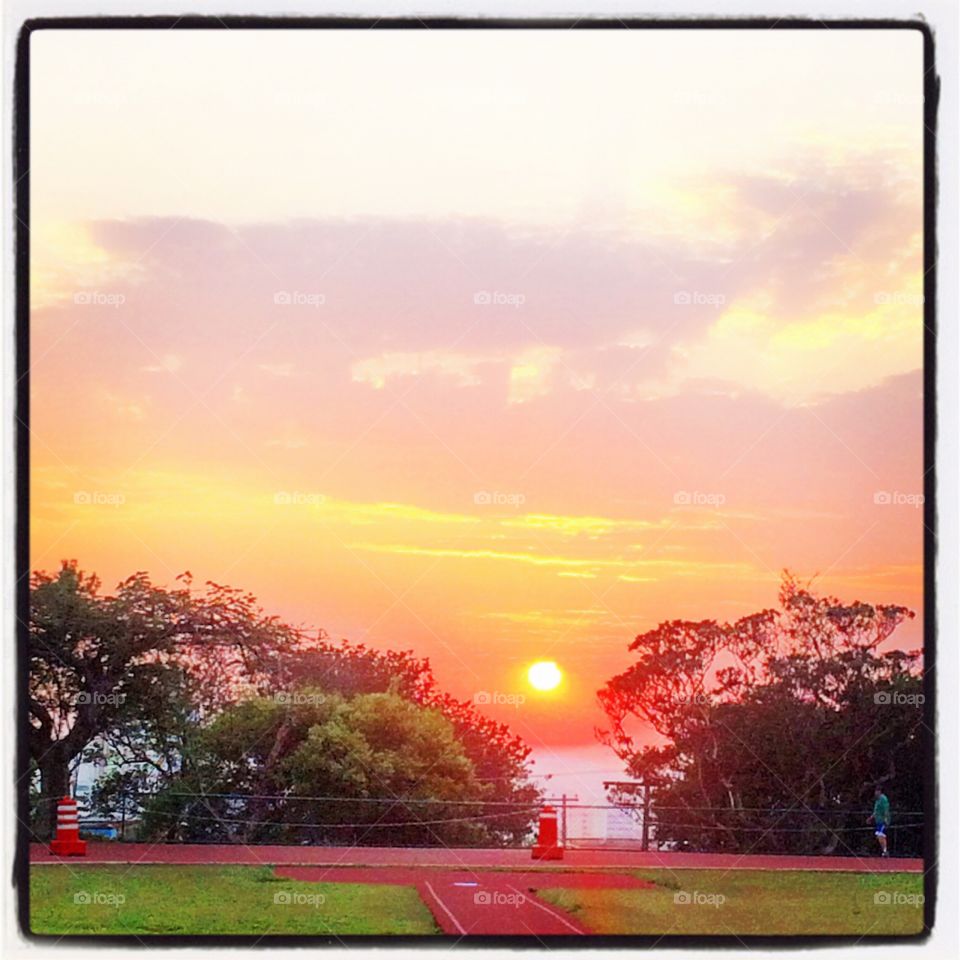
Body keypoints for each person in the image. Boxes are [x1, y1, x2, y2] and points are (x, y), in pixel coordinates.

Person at [867, 785, 891, 857]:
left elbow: (886, 809)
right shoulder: (877, 800)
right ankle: (884, 851)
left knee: (880, 835)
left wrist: (886, 819)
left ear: (879, 792)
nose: (875, 793)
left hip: (882, 820)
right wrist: (871, 818)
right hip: (878, 820)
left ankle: (885, 851)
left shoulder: (883, 799)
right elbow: (876, 811)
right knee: (879, 836)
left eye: (876, 791)